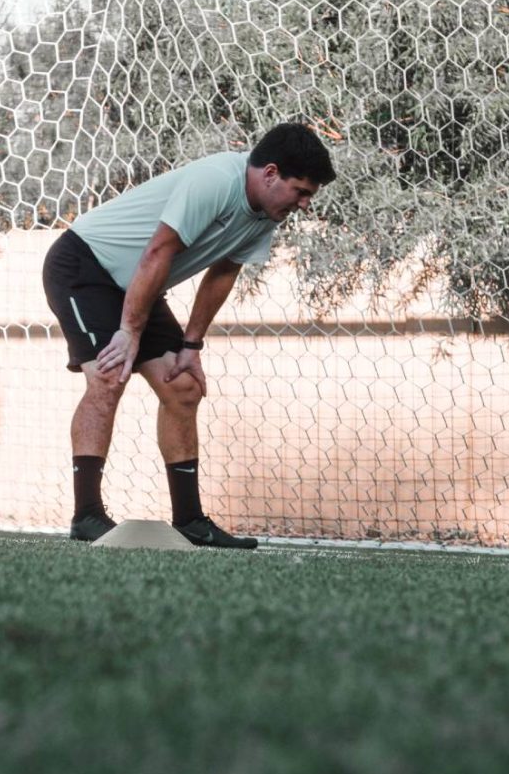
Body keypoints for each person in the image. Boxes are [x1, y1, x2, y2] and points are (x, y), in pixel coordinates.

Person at [43, 123, 336, 546]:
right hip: (84, 265)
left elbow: (224, 270)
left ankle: (190, 521)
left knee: (182, 386)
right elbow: (159, 250)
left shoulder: (267, 212)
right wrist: (129, 331)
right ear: (270, 173)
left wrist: (191, 345)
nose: (305, 204)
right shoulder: (217, 181)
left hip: (139, 281)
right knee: (108, 376)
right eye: (301, 191)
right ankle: (86, 515)